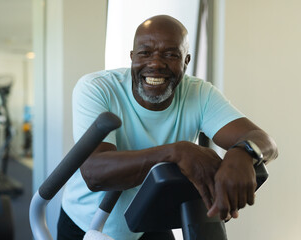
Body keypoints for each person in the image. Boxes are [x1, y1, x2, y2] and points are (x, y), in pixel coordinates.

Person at [58, 15, 278, 240]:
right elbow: (95, 174)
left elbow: (264, 141)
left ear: (186, 61)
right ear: (132, 57)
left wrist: (244, 152)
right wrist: (177, 152)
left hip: (149, 217)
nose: (155, 64)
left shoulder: (199, 93)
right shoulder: (97, 89)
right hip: (88, 223)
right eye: (145, 53)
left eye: (171, 54)